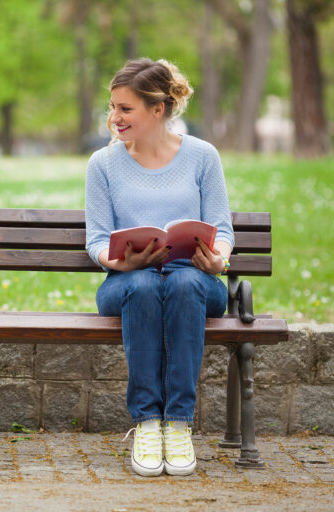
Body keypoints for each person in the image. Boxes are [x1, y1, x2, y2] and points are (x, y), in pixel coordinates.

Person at [85, 59, 233, 477]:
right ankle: (148, 423)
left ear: (158, 109)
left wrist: (217, 257)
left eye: (125, 109)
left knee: (184, 282)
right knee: (145, 286)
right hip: (127, 283)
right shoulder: (103, 164)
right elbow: (96, 239)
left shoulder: (203, 156)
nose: (115, 117)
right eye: (112, 107)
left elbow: (221, 227)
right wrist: (118, 261)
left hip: (196, 279)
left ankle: (179, 424)